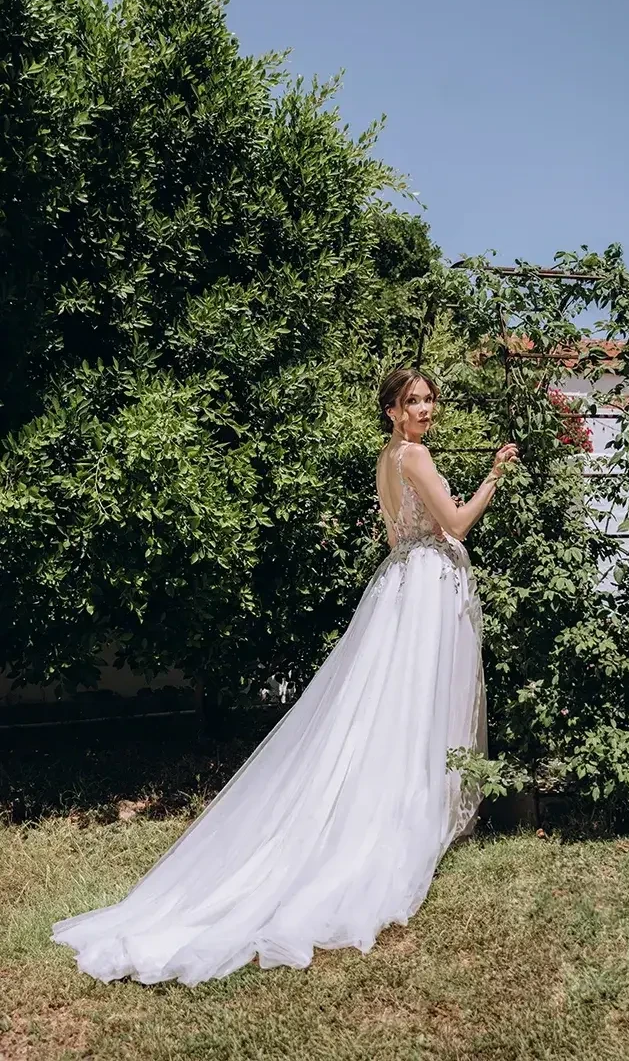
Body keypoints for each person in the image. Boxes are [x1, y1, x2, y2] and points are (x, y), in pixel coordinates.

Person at [51, 368, 518, 986]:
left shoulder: (387, 458)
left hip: (400, 584)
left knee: (385, 708)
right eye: (413, 401)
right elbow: (455, 524)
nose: (426, 408)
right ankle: (399, 821)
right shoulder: (415, 454)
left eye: (430, 399)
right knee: (411, 707)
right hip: (425, 586)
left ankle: (395, 806)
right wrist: (493, 476)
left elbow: (392, 534)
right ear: (393, 411)